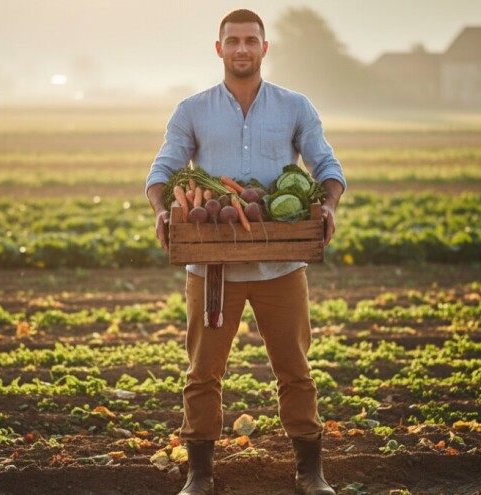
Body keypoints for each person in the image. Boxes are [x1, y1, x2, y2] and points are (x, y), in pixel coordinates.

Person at [145, 8, 345, 495]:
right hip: (212, 268)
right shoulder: (192, 110)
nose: (241, 48)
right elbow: (163, 168)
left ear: (263, 48)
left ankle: (310, 471)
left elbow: (325, 162)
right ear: (219, 49)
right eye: (232, 40)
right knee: (202, 372)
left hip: (281, 265)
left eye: (250, 40)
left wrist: (330, 203)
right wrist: (162, 208)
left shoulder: (295, 106)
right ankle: (200, 473)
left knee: (295, 368)